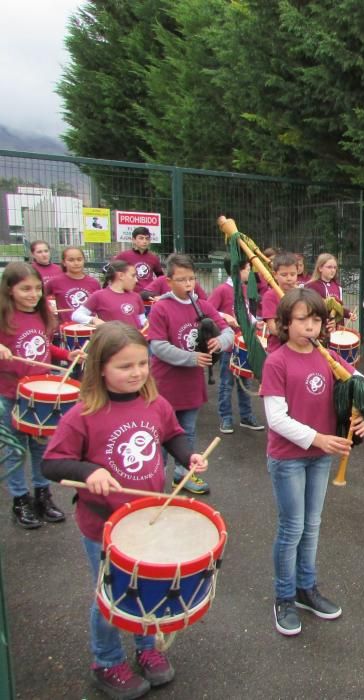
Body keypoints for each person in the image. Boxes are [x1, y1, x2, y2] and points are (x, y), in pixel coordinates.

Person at [41, 322, 209, 699]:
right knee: (112, 597)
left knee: (146, 589)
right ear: (100, 367)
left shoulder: (154, 402)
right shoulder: (82, 414)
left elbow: (171, 435)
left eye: (141, 364)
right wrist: (89, 471)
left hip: (149, 516)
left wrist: (188, 456)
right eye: (124, 366)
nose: (136, 373)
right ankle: (106, 660)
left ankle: (147, 649)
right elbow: (52, 464)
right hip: (104, 525)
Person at [260, 288, 364, 636]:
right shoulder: (276, 361)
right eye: (302, 319)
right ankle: (284, 596)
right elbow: (276, 418)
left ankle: (307, 588)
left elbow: (363, 385)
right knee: (292, 528)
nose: (310, 325)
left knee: (313, 524)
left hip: (320, 457)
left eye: (316, 319)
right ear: (285, 323)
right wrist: (318, 438)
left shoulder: (328, 356)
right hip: (289, 458)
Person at [0, 262, 80, 528]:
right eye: (25, 289)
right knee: (14, 450)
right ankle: (19, 499)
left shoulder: (41, 315)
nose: (33, 294)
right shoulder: (4, 317)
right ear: (10, 290)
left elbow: (44, 347)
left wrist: (66, 354)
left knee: (40, 448)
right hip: (11, 394)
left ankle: (42, 494)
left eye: (37, 288)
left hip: (41, 391)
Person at [148, 254, 233, 495]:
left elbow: (227, 331)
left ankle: (182, 476)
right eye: (182, 279)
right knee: (162, 434)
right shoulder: (161, 308)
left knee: (187, 432)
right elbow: (158, 346)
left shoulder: (203, 306)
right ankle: (156, 480)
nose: (188, 284)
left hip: (192, 385)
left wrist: (220, 341)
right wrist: (192, 358)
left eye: (192, 279)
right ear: (168, 280)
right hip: (165, 383)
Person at [208, 256, 264, 434]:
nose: (250, 272)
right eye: (248, 268)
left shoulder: (244, 289)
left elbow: (246, 313)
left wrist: (257, 322)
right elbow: (207, 310)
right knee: (227, 383)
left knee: (245, 382)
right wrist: (225, 317)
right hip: (229, 345)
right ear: (238, 271)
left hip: (244, 343)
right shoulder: (222, 290)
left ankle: (246, 416)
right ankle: (225, 418)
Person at [72, 260, 146, 330]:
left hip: (135, 341)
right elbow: (76, 315)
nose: (136, 280)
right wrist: (94, 320)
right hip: (112, 341)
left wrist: (146, 322)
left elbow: (141, 320)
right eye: (133, 276)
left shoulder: (136, 296)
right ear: (121, 275)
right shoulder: (99, 295)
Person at [45, 247, 100, 326]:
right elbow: (40, 296)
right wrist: (48, 306)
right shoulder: (55, 282)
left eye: (79, 259)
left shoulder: (94, 283)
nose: (76, 263)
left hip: (89, 328)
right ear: (64, 262)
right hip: (66, 329)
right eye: (71, 260)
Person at [261, 252, 301, 354]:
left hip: (301, 348)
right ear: (275, 275)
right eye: (284, 275)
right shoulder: (270, 296)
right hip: (278, 350)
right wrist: (300, 331)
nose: (289, 278)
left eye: (293, 274)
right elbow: (274, 329)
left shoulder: (303, 295)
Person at [306, 253, 356, 327]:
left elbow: (338, 307)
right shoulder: (312, 285)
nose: (333, 270)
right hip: (320, 327)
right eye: (329, 267)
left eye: (335, 267)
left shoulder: (337, 286)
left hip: (336, 328)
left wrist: (349, 314)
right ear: (320, 268)